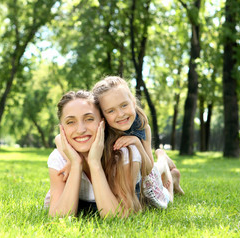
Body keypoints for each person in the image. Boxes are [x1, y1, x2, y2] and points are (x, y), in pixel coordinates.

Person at [44, 90, 173, 218]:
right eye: (70, 122)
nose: (81, 130)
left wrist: (94, 163)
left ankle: (164, 161)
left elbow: (116, 216)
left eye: (89, 119)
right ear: (62, 128)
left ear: (102, 122)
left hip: (146, 179)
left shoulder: (124, 153)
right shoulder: (59, 159)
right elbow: (59, 216)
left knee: (163, 194)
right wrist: (76, 164)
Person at [91, 76, 184, 196]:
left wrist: (137, 143)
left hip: (145, 171)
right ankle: (165, 162)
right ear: (101, 114)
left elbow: (148, 170)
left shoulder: (141, 126)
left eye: (124, 105)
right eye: (111, 111)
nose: (120, 114)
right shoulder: (100, 130)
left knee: (156, 173)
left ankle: (163, 159)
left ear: (133, 102)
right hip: (131, 175)